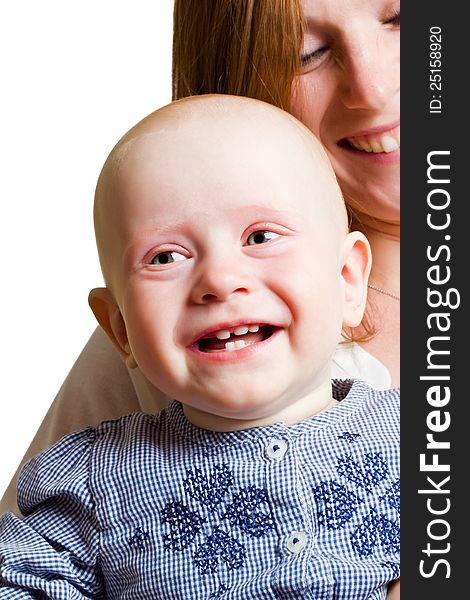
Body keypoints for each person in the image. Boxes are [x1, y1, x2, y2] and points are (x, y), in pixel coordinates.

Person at [1, 0, 400, 525]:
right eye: (305, 53)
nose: (372, 89)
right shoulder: (171, 334)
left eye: (406, 20)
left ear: (349, 274)